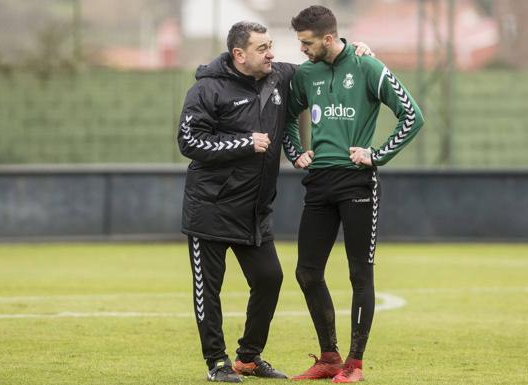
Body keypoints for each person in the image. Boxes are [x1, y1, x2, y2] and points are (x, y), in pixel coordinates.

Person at [177, 21, 374, 383]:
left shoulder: (281, 76)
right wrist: (243, 142)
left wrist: (354, 51)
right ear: (239, 55)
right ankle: (217, 362)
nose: (272, 53)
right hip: (211, 208)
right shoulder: (207, 89)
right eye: (262, 48)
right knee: (209, 290)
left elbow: (324, 65)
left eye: (271, 45)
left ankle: (248, 358)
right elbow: (189, 142)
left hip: (254, 212)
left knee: (270, 279)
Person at [283, 5, 424, 383]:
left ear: (328, 38)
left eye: (307, 43)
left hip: (357, 181)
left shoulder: (367, 66)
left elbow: (412, 116)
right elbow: (284, 120)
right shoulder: (305, 74)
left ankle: (354, 364)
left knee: (360, 273)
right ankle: (329, 357)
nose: (302, 50)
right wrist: (296, 153)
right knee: (307, 272)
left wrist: (377, 155)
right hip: (319, 183)